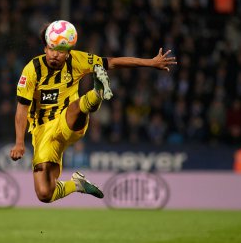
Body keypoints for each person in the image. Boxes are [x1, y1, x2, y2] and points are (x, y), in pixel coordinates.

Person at [10, 20, 177, 203]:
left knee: (75, 106)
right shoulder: (32, 70)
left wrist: (150, 63)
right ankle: (77, 184)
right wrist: (19, 143)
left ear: (68, 52)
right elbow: (22, 108)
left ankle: (97, 93)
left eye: (60, 50)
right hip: (42, 133)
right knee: (44, 194)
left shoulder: (78, 60)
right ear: (45, 48)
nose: (55, 54)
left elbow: (112, 62)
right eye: (51, 48)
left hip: (69, 120)